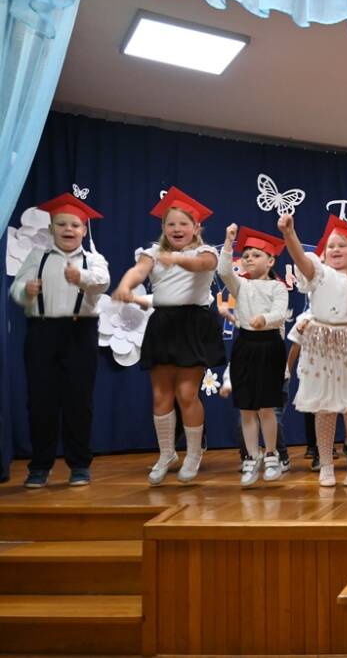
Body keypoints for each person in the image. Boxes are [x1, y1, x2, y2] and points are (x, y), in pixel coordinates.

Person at [112, 187, 225, 485]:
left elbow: (203, 265)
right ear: (163, 228)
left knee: (186, 394)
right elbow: (138, 271)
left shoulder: (206, 252)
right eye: (171, 224)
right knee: (161, 395)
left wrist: (176, 259)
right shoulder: (152, 253)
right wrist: (125, 285)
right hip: (162, 323)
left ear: (196, 228)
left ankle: (193, 453)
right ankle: (166, 453)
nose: (177, 228)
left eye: (183, 223)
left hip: (193, 324)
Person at [278, 214, 347, 486]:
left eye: (342, 245)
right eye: (331, 246)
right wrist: (289, 234)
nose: (335, 249)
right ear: (323, 252)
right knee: (324, 407)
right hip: (322, 344)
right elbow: (300, 259)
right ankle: (326, 464)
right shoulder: (319, 274)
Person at [10, 193, 109, 488]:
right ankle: (40, 466)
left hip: (80, 333)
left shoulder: (93, 260)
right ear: (51, 228)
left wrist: (81, 277)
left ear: (84, 230)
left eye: (75, 225)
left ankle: (79, 465)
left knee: (79, 401)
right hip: (42, 333)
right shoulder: (37, 257)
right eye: (62, 224)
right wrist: (25, 290)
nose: (68, 229)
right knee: (41, 400)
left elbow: (102, 282)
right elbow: (15, 289)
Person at [218, 225, 290, 486]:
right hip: (245, 345)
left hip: (270, 346)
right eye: (246, 255)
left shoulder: (277, 288)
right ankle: (251, 456)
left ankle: (271, 454)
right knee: (246, 408)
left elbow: (280, 313)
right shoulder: (242, 285)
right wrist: (229, 242)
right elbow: (224, 271)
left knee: (266, 407)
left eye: (256, 255)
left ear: (270, 261)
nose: (249, 258)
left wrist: (264, 319)